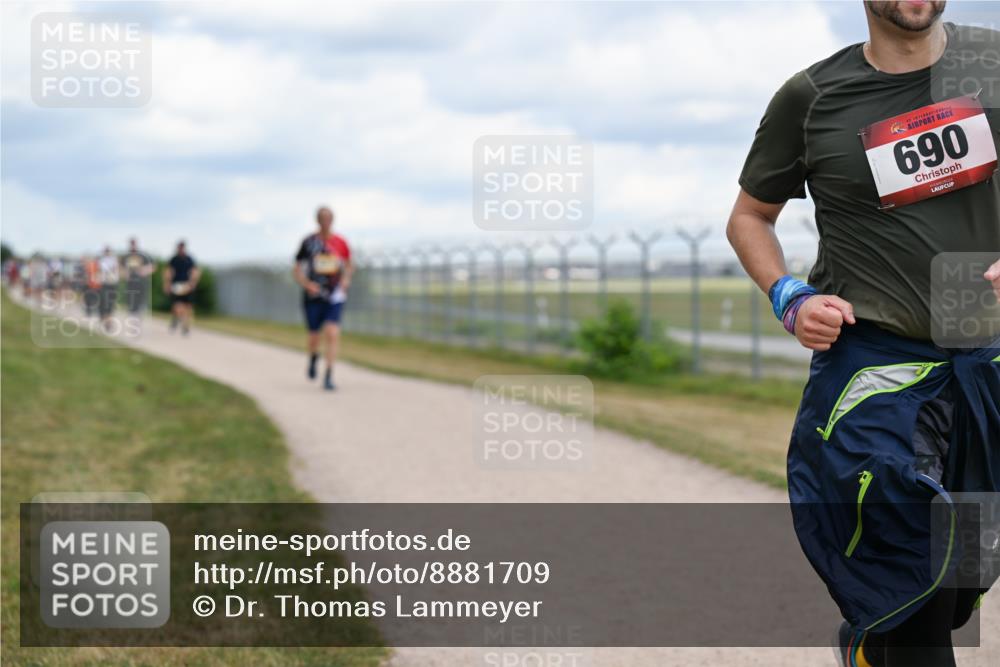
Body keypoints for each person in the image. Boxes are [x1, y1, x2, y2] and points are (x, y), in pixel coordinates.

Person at [727, 3, 999, 666]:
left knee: (960, 575)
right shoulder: (813, 97)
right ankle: (890, 633)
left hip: (986, 361)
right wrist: (791, 297)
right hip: (876, 370)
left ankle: (873, 643)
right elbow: (749, 217)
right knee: (912, 583)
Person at [293, 206, 353, 390]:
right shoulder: (309, 242)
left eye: (329, 219)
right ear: (317, 221)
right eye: (322, 219)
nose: (326, 222)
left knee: (332, 333)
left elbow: (349, 265)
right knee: (314, 336)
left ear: (333, 220)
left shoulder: (340, 242)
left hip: (334, 295)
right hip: (314, 295)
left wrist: (345, 280)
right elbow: (296, 269)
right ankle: (313, 357)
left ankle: (328, 375)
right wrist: (307, 284)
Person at [163, 240, 200, 335]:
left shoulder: (189, 259)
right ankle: (177, 319)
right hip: (176, 286)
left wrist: (192, 283)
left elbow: (195, 271)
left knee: (188, 307)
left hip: (187, 286)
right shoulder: (174, 259)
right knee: (177, 306)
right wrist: (167, 284)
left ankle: (185, 327)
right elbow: (168, 272)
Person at [122, 237, 155, 315]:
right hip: (130, 282)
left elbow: (153, 266)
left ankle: (139, 313)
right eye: (131, 243)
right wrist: (125, 274)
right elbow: (121, 268)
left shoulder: (143, 255)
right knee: (131, 301)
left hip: (141, 282)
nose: (132, 245)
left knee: (141, 302)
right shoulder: (126, 256)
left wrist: (144, 271)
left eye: (134, 243)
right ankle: (133, 315)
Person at [96, 246, 120, 330]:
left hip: (112, 284)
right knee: (105, 303)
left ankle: (108, 322)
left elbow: (115, 270)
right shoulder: (102, 260)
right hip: (105, 284)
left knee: (110, 304)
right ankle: (105, 320)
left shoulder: (114, 260)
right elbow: (101, 271)